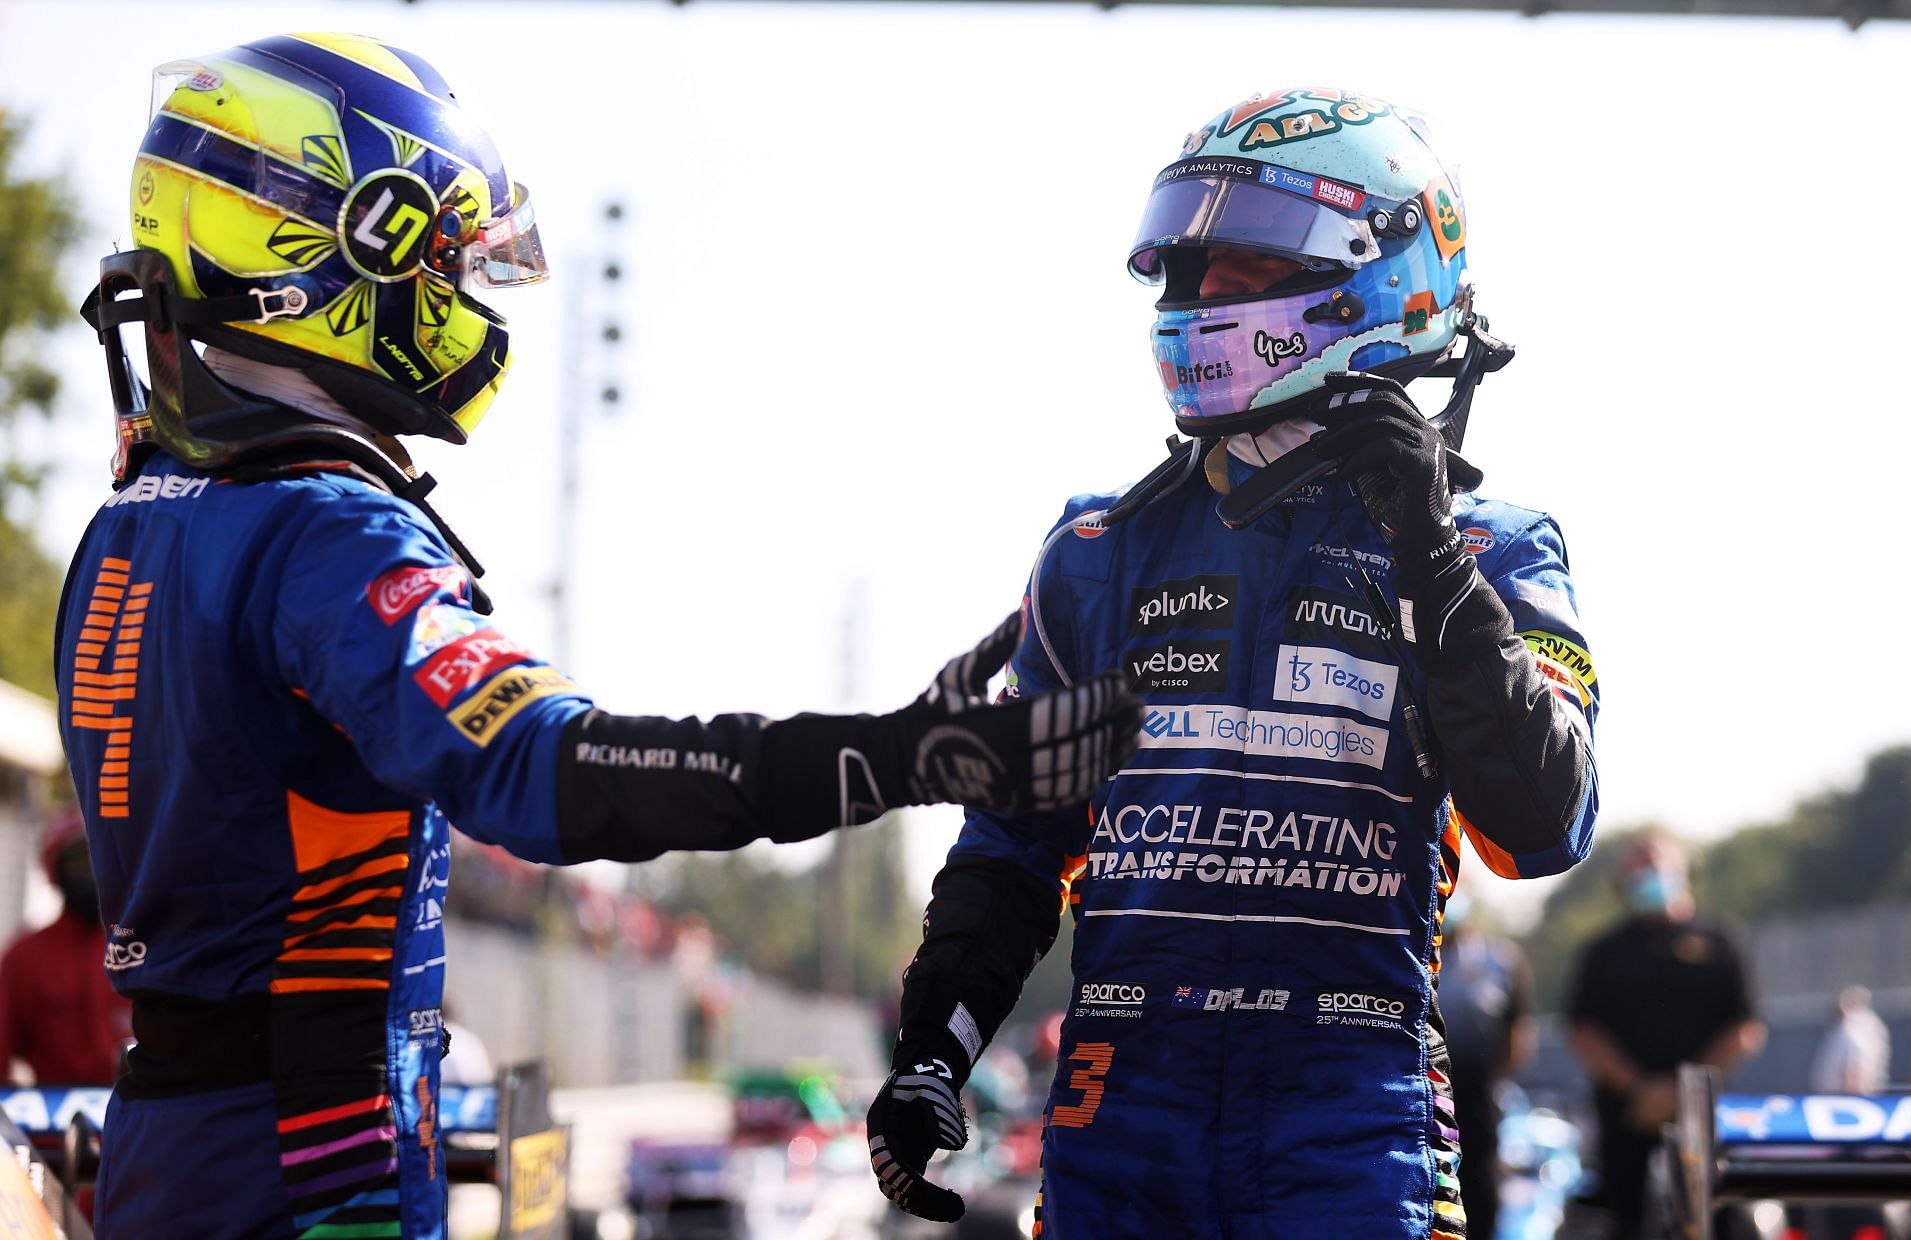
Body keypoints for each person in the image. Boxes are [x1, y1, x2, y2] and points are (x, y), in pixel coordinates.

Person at [57, 34, 1141, 1240]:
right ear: (351, 249)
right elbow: (542, 770)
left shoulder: (129, 524)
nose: (465, 298)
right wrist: (898, 753)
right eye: (450, 262)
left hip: (168, 1139)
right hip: (308, 1165)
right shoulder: (327, 533)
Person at [865, 88, 1600, 1238]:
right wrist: (932, 1050)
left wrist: (1425, 553)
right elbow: (1014, 840)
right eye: (1189, 269)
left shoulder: (1496, 546)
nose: (1199, 301)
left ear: (1382, 267)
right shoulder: (1098, 550)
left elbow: (1544, 823)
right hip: (1121, 1101)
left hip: (1354, 1109)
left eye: (1245, 269)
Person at [1567, 835, 1765, 1240]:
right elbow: (1583, 1030)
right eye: (1637, 870)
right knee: (1628, 1219)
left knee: (1719, 1217)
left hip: (1704, 1107)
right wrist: (1641, 1088)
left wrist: (1680, 1092)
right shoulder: (1605, 951)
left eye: (1655, 865)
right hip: (1627, 1109)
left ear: (1682, 870)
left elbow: (1744, 1028)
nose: (1647, 877)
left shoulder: (1721, 942)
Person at [0, 810, 133, 1084]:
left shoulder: (141, 947)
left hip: (139, 1119)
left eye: (99, 858)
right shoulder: (25, 957)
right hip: (53, 1124)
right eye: (79, 862)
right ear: (56, 869)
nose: (91, 873)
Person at [1438, 883, 1533, 1240]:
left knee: (1478, 1198)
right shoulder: (1398, 953)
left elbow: (1516, 1039)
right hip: (1414, 1103)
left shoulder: (1503, 960)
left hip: (1476, 1108)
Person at [1809, 984, 1888, 1095]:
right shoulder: (1866, 1025)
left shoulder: (1854, 1026)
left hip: (1844, 1096)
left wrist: (1851, 1095)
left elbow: (1855, 1065)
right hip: (1848, 1096)